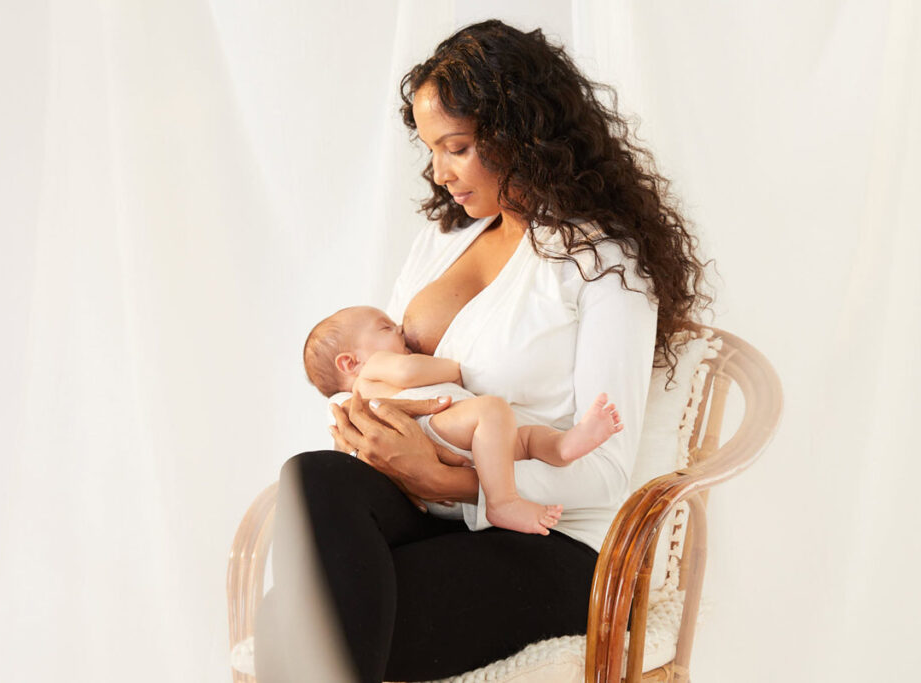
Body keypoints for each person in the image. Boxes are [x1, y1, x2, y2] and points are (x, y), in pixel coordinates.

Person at [255, 19, 710, 683]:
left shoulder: (603, 263)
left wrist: (444, 479)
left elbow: (607, 469)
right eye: (433, 149)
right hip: (431, 516)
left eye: (458, 147)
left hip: (551, 539)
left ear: (520, 132)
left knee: (307, 621)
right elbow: (394, 383)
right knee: (311, 476)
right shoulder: (441, 243)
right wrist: (372, 435)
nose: (439, 173)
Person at [303, 304, 625, 535]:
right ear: (349, 363)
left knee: (524, 437)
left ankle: (564, 446)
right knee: (493, 410)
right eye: (386, 327)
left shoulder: (365, 386)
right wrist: (457, 369)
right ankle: (502, 502)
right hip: (429, 430)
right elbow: (408, 370)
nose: (400, 329)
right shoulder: (370, 372)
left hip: (456, 450)